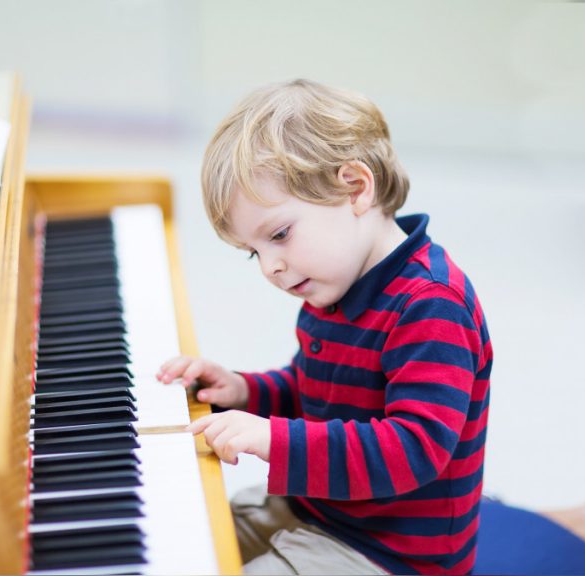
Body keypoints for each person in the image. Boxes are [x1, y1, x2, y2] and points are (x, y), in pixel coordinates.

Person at [157, 79, 492, 575]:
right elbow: (314, 390)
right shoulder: (332, 284)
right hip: (319, 510)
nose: (270, 267)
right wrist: (244, 391)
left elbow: (413, 449)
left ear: (355, 188)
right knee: (183, 544)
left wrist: (272, 438)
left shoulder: (430, 305)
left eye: (279, 235)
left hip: (390, 553)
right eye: (255, 251)